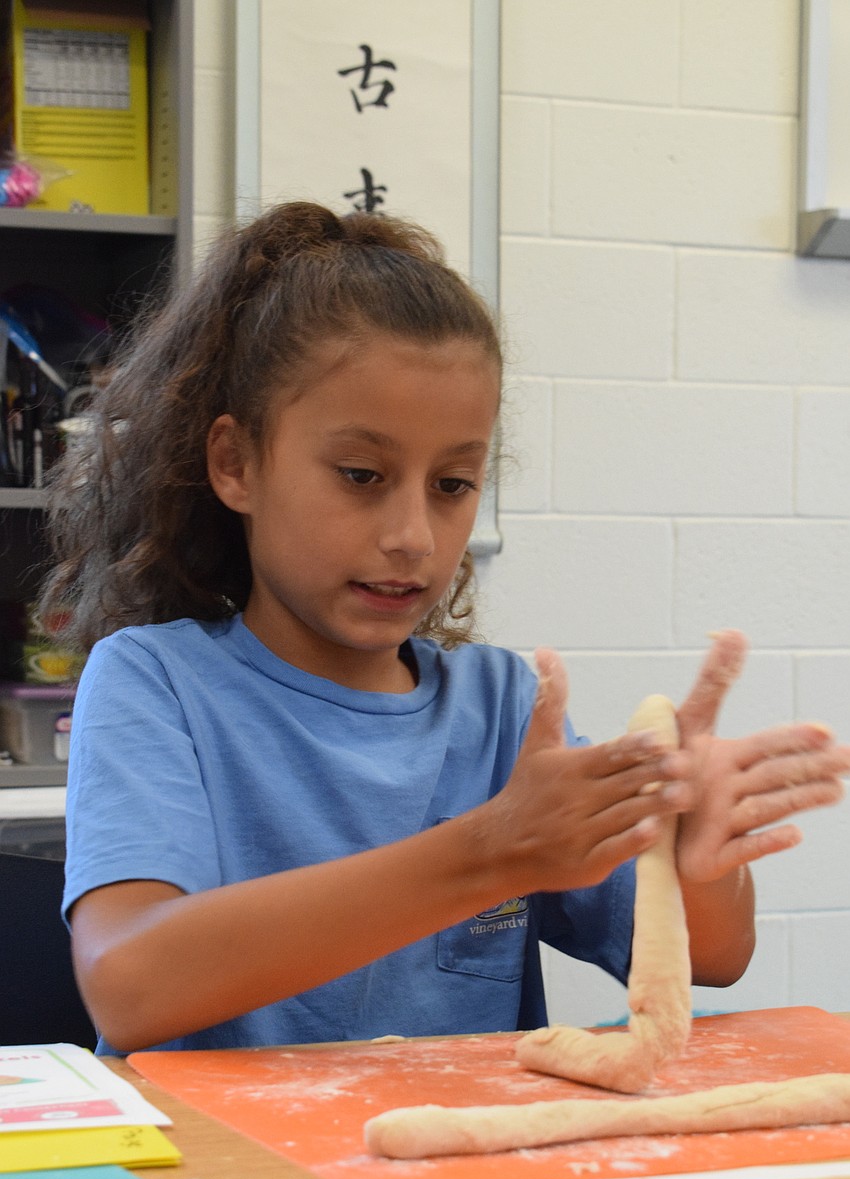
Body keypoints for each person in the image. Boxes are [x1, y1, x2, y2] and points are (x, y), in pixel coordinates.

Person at [39, 200, 850, 1056]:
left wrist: (697, 852)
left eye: (453, 484)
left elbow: (714, 959)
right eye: (361, 474)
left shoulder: (501, 708)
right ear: (236, 463)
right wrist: (491, 852)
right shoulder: (155, 681)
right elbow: (131, 984)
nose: (412, 537)